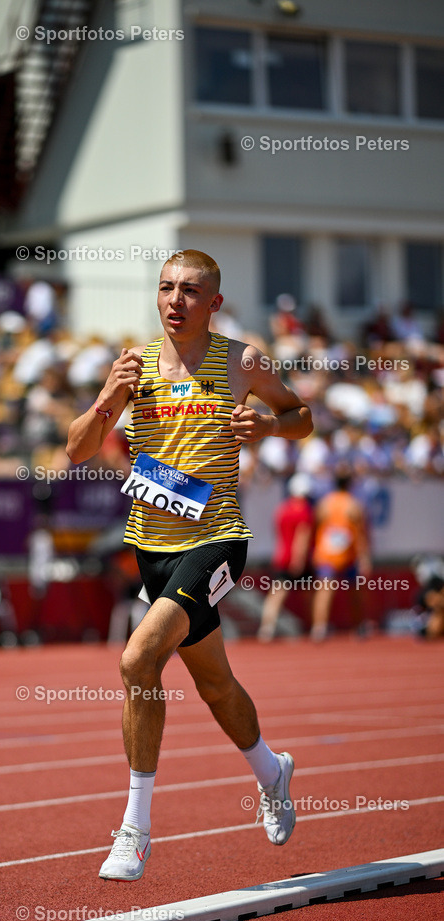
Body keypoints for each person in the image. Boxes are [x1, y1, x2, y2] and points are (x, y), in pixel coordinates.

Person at [66, 249, 313, 881]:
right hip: (152, 546)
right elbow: (76, 450)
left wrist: (267, 427)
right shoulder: (134, 364)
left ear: (215, 303)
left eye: (190, 291)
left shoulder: (242, 361)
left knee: (137, 659)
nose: (175, 300)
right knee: (215, 683)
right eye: (167, 288)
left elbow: (301, 416)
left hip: (218, 539)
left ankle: (135, 829)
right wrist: (108, 400)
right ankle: (271, 771)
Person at [310, 471, 371, 642]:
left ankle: (319, 628)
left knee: (324, 592)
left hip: (326, 554)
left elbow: (316, 526)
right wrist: (364, 557)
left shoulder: (324, 504)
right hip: (348, 555)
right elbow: (360, 534)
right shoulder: (354, 504)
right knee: (355, 592)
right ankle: (359, 627)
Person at [258, 473, 315, 642]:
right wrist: (299, 559)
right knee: (309, 595)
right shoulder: (305, 510)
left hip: (282, 555)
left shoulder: (282, 509)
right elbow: (302, 536)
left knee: (276, 595)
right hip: (297, 559)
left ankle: (266, 629)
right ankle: (314, 627)